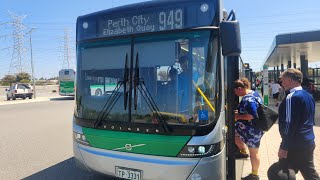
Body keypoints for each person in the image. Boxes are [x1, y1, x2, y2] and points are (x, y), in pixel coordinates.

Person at [268, 68, 320, 180]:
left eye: (283, 80)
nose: (281, 83)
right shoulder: (308, 95)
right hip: (307, 141)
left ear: (290, 80)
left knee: (278, 173)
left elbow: (289, 123)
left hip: (295, 144)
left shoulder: (292, 97)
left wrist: (284, 146)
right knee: (307, 171)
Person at [234, 78, 264, 180]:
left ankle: (254, 175)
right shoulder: (253, 93)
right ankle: (243, 152)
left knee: (254, 153)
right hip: (247, 128)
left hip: (253, 130)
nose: (235, 93)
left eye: (235, 91)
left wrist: (238, 116)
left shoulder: (248, 99)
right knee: (234, 134)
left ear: (239, 89)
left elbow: (252, 115)